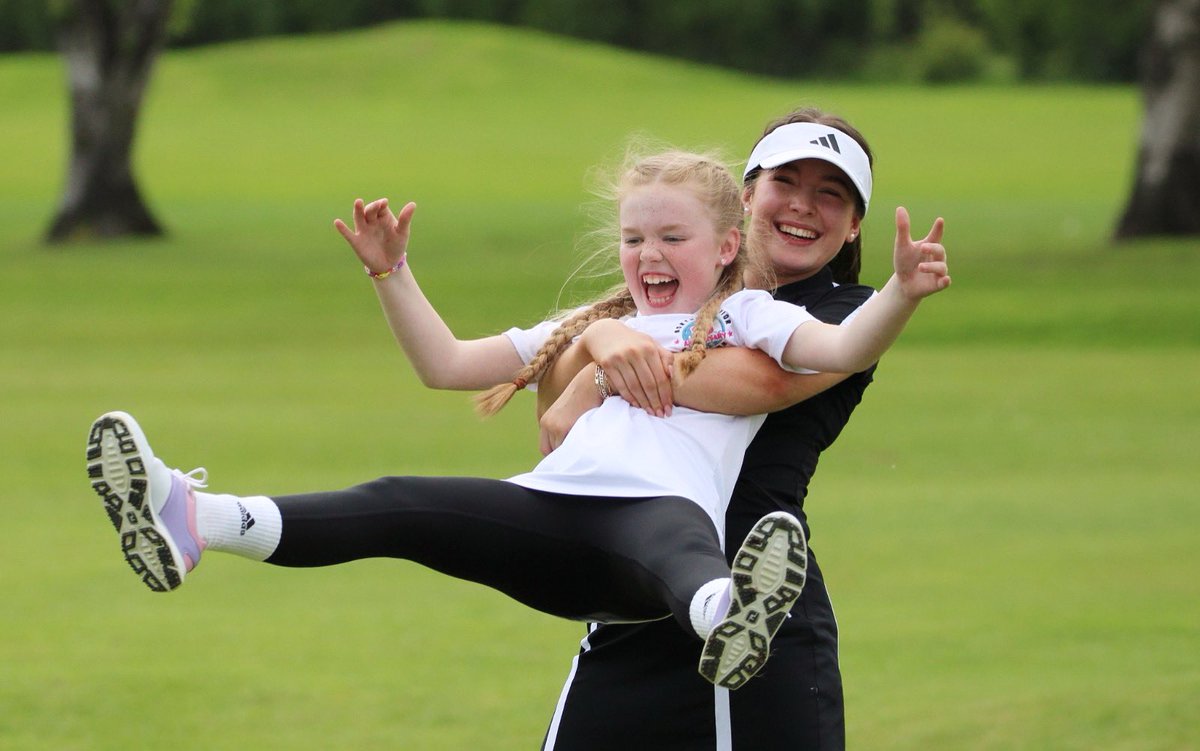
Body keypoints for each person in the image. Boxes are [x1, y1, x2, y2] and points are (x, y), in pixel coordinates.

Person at [86, 149, 948, 695]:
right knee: (397, 502)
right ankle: (192, 519)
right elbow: (447, 366)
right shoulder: (584, 322)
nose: (649, 256)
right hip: (555, 520)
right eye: (633, 238)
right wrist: (393, 275)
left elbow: (838, 347)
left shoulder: (746, 317)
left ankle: (729, 612)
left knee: (682, 549)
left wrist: (901, 294)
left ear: (727, 245)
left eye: (673, 238)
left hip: (654, 531)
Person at [535, 109, 937, 749]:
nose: (803, 207)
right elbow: (552, 420)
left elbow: (758, 384)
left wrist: (602, 363)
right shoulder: (665, 293)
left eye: (830, 193)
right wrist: (602, 340)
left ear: (854, 223)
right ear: (745, 196)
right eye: (786, 183)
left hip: (758, 608)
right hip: (631, 599)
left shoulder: (847, 317)